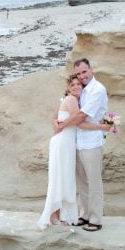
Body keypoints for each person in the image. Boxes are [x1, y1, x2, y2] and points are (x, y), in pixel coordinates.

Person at [38, 73, 114, 229]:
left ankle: (61, 214)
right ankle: (54, 215)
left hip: (67, 143)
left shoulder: (75, 100)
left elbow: (55, 116)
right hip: (64, 143)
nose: (76, 86)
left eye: (79, 84)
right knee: (60, 178)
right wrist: (103, 127)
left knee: (63, 178)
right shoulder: (72, 100)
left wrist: (58, 123)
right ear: (68, 88)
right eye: (72, 85)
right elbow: (79, 123)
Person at [53, 58, 109, 231]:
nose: (82, 76)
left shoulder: (97, 90)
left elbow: (81, 117)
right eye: (78, 73)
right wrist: (55, 120)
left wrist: (61, 125)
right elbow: (62, 107)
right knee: (82, 183)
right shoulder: (81, 90)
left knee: (94, 182)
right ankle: (84, 215)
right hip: (77, 143)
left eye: (84, 72)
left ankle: (96, 218)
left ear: (91, 70)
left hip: (92, 142)